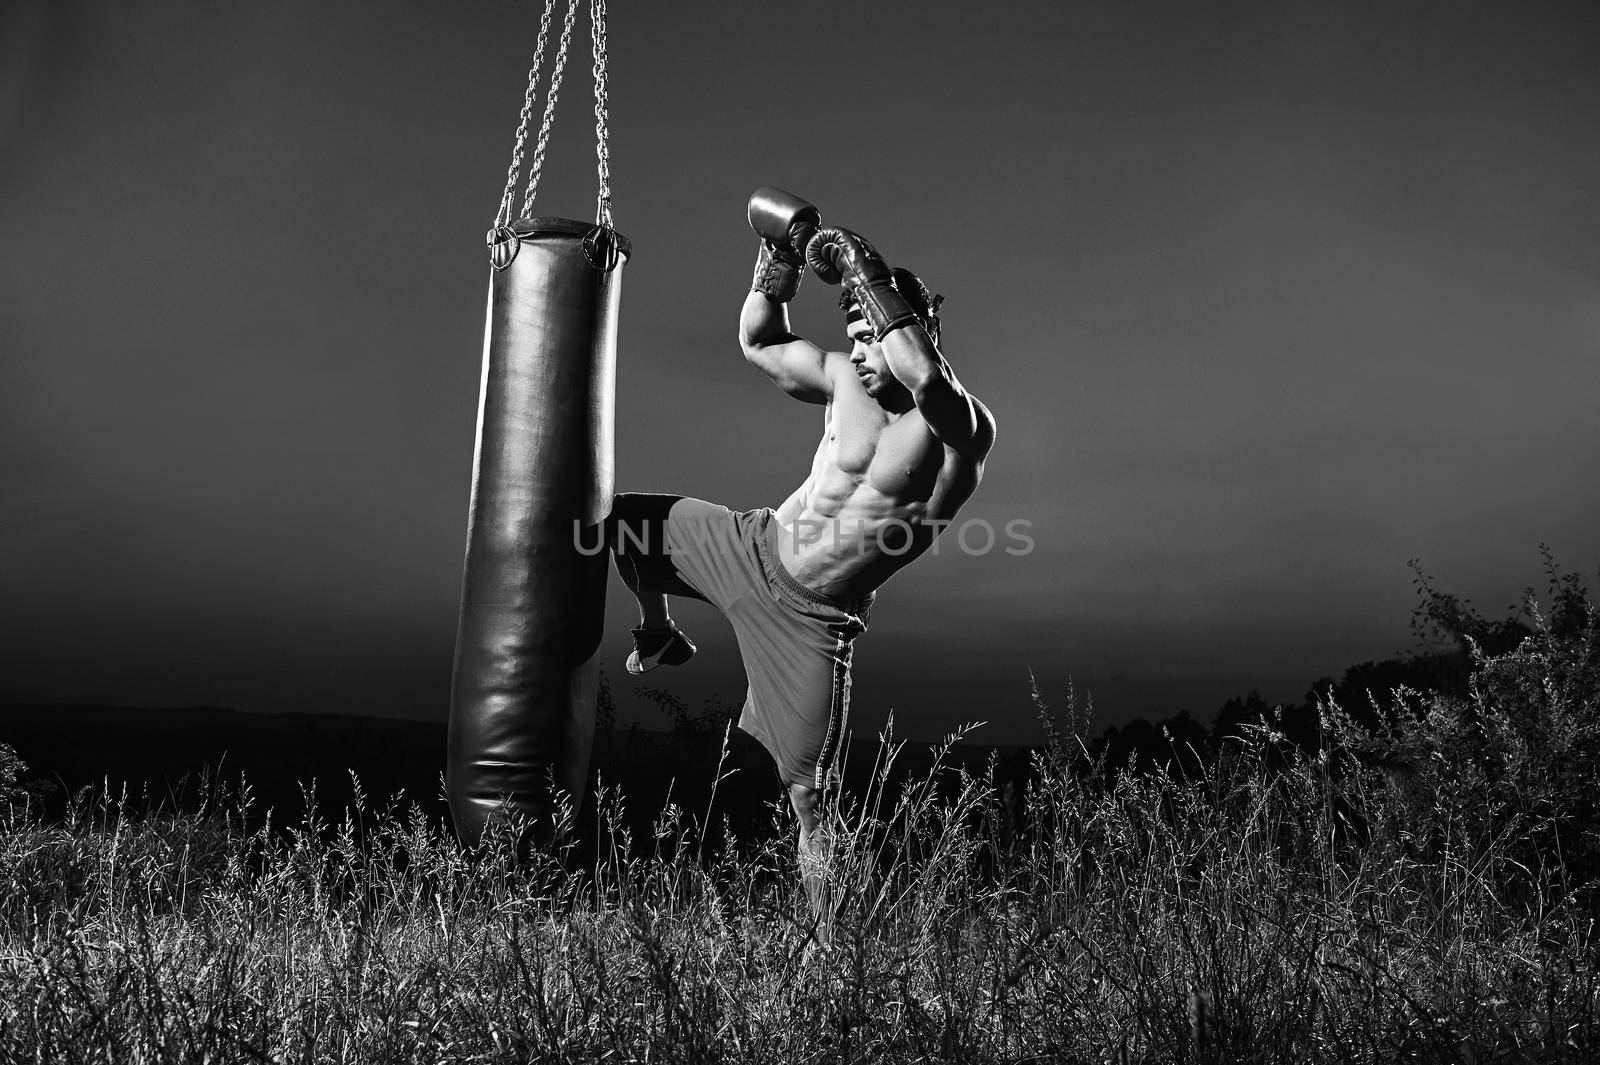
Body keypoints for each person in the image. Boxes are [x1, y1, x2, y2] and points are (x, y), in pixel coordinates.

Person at [603, 187, 996, 945]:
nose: (855, 351)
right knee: (614, 517)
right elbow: (759, 341)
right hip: (752, 546)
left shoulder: (957, 431)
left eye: (870, 336)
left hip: (811, 621)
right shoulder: (846, 380)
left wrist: (860, 264)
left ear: (917, 333)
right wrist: (778, 256)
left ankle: (826, 949)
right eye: (849, 335)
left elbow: (930, 378)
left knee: (813, 797)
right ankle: (657, 630)